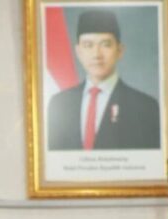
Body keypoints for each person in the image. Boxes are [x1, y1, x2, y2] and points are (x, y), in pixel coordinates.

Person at [46, 8, 162, 151]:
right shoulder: (59, 103)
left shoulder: (145, 107)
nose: (97, 54)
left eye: (105, 44)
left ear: (120, 50)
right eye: (88, 45)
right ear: (78, 52)